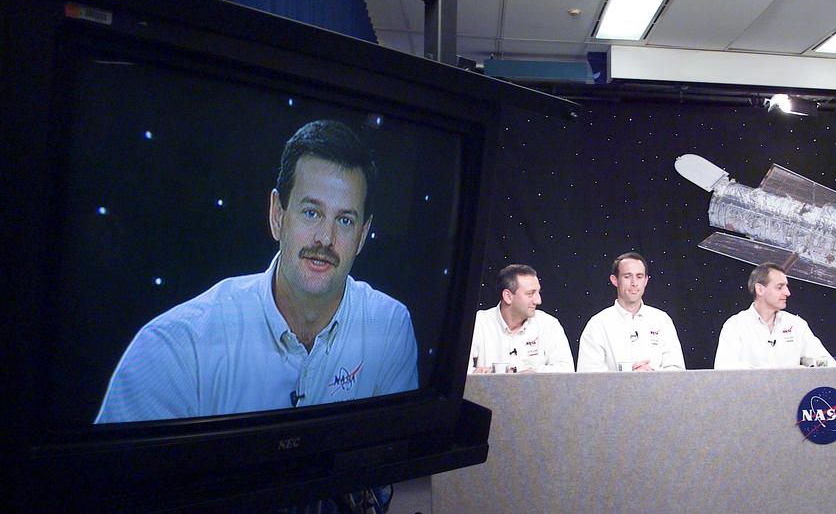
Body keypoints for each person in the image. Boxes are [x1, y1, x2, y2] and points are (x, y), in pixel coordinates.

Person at [97, 119, 418, 423]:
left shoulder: (389, 326)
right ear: (277, 215)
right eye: (311, 212)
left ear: (362, 235)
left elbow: (390, 455)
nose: (325, 238)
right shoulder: (175, 347)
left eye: (345, 220)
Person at [577, 252, 685, 372]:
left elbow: (677, 371)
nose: (634, 283)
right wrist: (629, 377)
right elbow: (588, 377)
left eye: (639, 276)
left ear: (646, 281)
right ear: (614, 280)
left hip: (656, 385)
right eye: (627, 276)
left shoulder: (662, 320)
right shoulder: (598, 325)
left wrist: (650, 373)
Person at [714, 263, 834, 369]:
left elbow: (828, 363)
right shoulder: (735, 325)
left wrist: (810, 368)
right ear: (760, 289)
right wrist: (780, 374)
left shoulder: (797, 325)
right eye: (779, 287)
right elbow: (724, 369)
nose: (787, 293)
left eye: (786, 287)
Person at [470, 264, 574, 372]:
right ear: (508, 296)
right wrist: (478, 374)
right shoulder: (479, 323)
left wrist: (530, 374)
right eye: (530, 293)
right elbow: (459, 368)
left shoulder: (549, 324)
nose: (538, 301)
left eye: (538, 292)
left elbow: (567, 370)